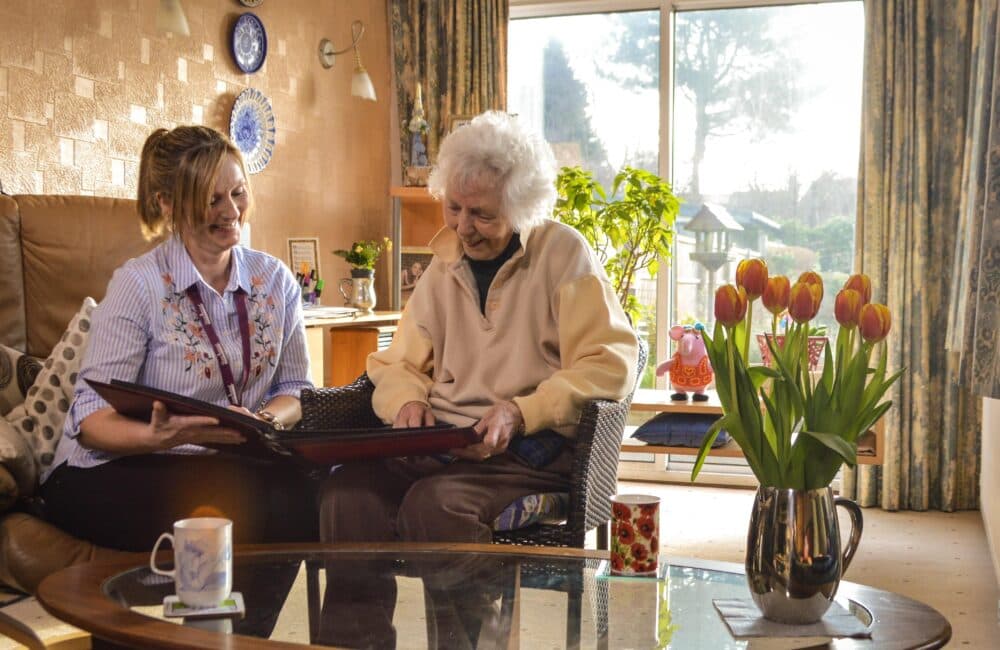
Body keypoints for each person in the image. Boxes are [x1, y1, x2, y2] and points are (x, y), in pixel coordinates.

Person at [316, 111, 638, 646]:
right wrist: (405, 404)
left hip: (529, 450)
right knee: (345, 495)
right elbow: (396, 363)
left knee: (436, 508)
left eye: (483, 215)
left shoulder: (563, 255)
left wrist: (522, 410)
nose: (463, 228)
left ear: (520, 208)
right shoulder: (442, 266)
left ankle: (473, 644)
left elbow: (611, 363)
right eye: (454, 208)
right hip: (444, 442)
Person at [40, 125, 318, 553]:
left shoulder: (276, 280)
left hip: (231, 461)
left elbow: (295, 388)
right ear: (167, 203)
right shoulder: (139, 284)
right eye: (212, 200)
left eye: (238, 193)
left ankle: (258, 622)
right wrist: (160, 437)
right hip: (118, 467)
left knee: (308, 490)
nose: (231, 211)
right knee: (242, 498)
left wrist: (266, 422)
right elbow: (90, 419)